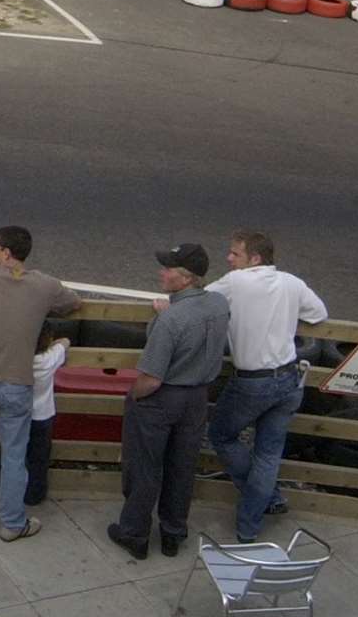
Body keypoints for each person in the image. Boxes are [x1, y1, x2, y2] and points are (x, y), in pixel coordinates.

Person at [0, 225, 81, 541]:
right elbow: (72, 302)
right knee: (13, 454)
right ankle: (11, 522)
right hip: (16, 383)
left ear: (6, 253)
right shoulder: (46, 286)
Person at [107, 244, 230, 561]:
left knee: (145, 467)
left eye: (168, 269)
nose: (162, 273)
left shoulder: (171, 322)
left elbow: (151, 379)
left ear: (186, 278)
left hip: (163, 398)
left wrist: (133, 395)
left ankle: (134, 533)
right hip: (197, 397)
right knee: (182, 466)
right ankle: (173, 533)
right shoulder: (218, 304)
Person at [206, 231, 328, 543]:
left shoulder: (236, 282)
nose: (229, 259)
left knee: (221, 434)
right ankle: (252, 523)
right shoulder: (292, 282)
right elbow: (318, 314)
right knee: (268, 454)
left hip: (253, 382)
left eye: (235, 254)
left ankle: (262, 499)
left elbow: (199, 302)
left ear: (255, 259)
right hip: (290, 379)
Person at [0, 325, 70, 508]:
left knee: (10, 455)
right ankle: (34, 494)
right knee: (38, 458)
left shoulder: (15, 359)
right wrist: (54, 345)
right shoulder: (49, 359)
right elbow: (66, 342)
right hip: (42, 416)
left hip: (16, 414)